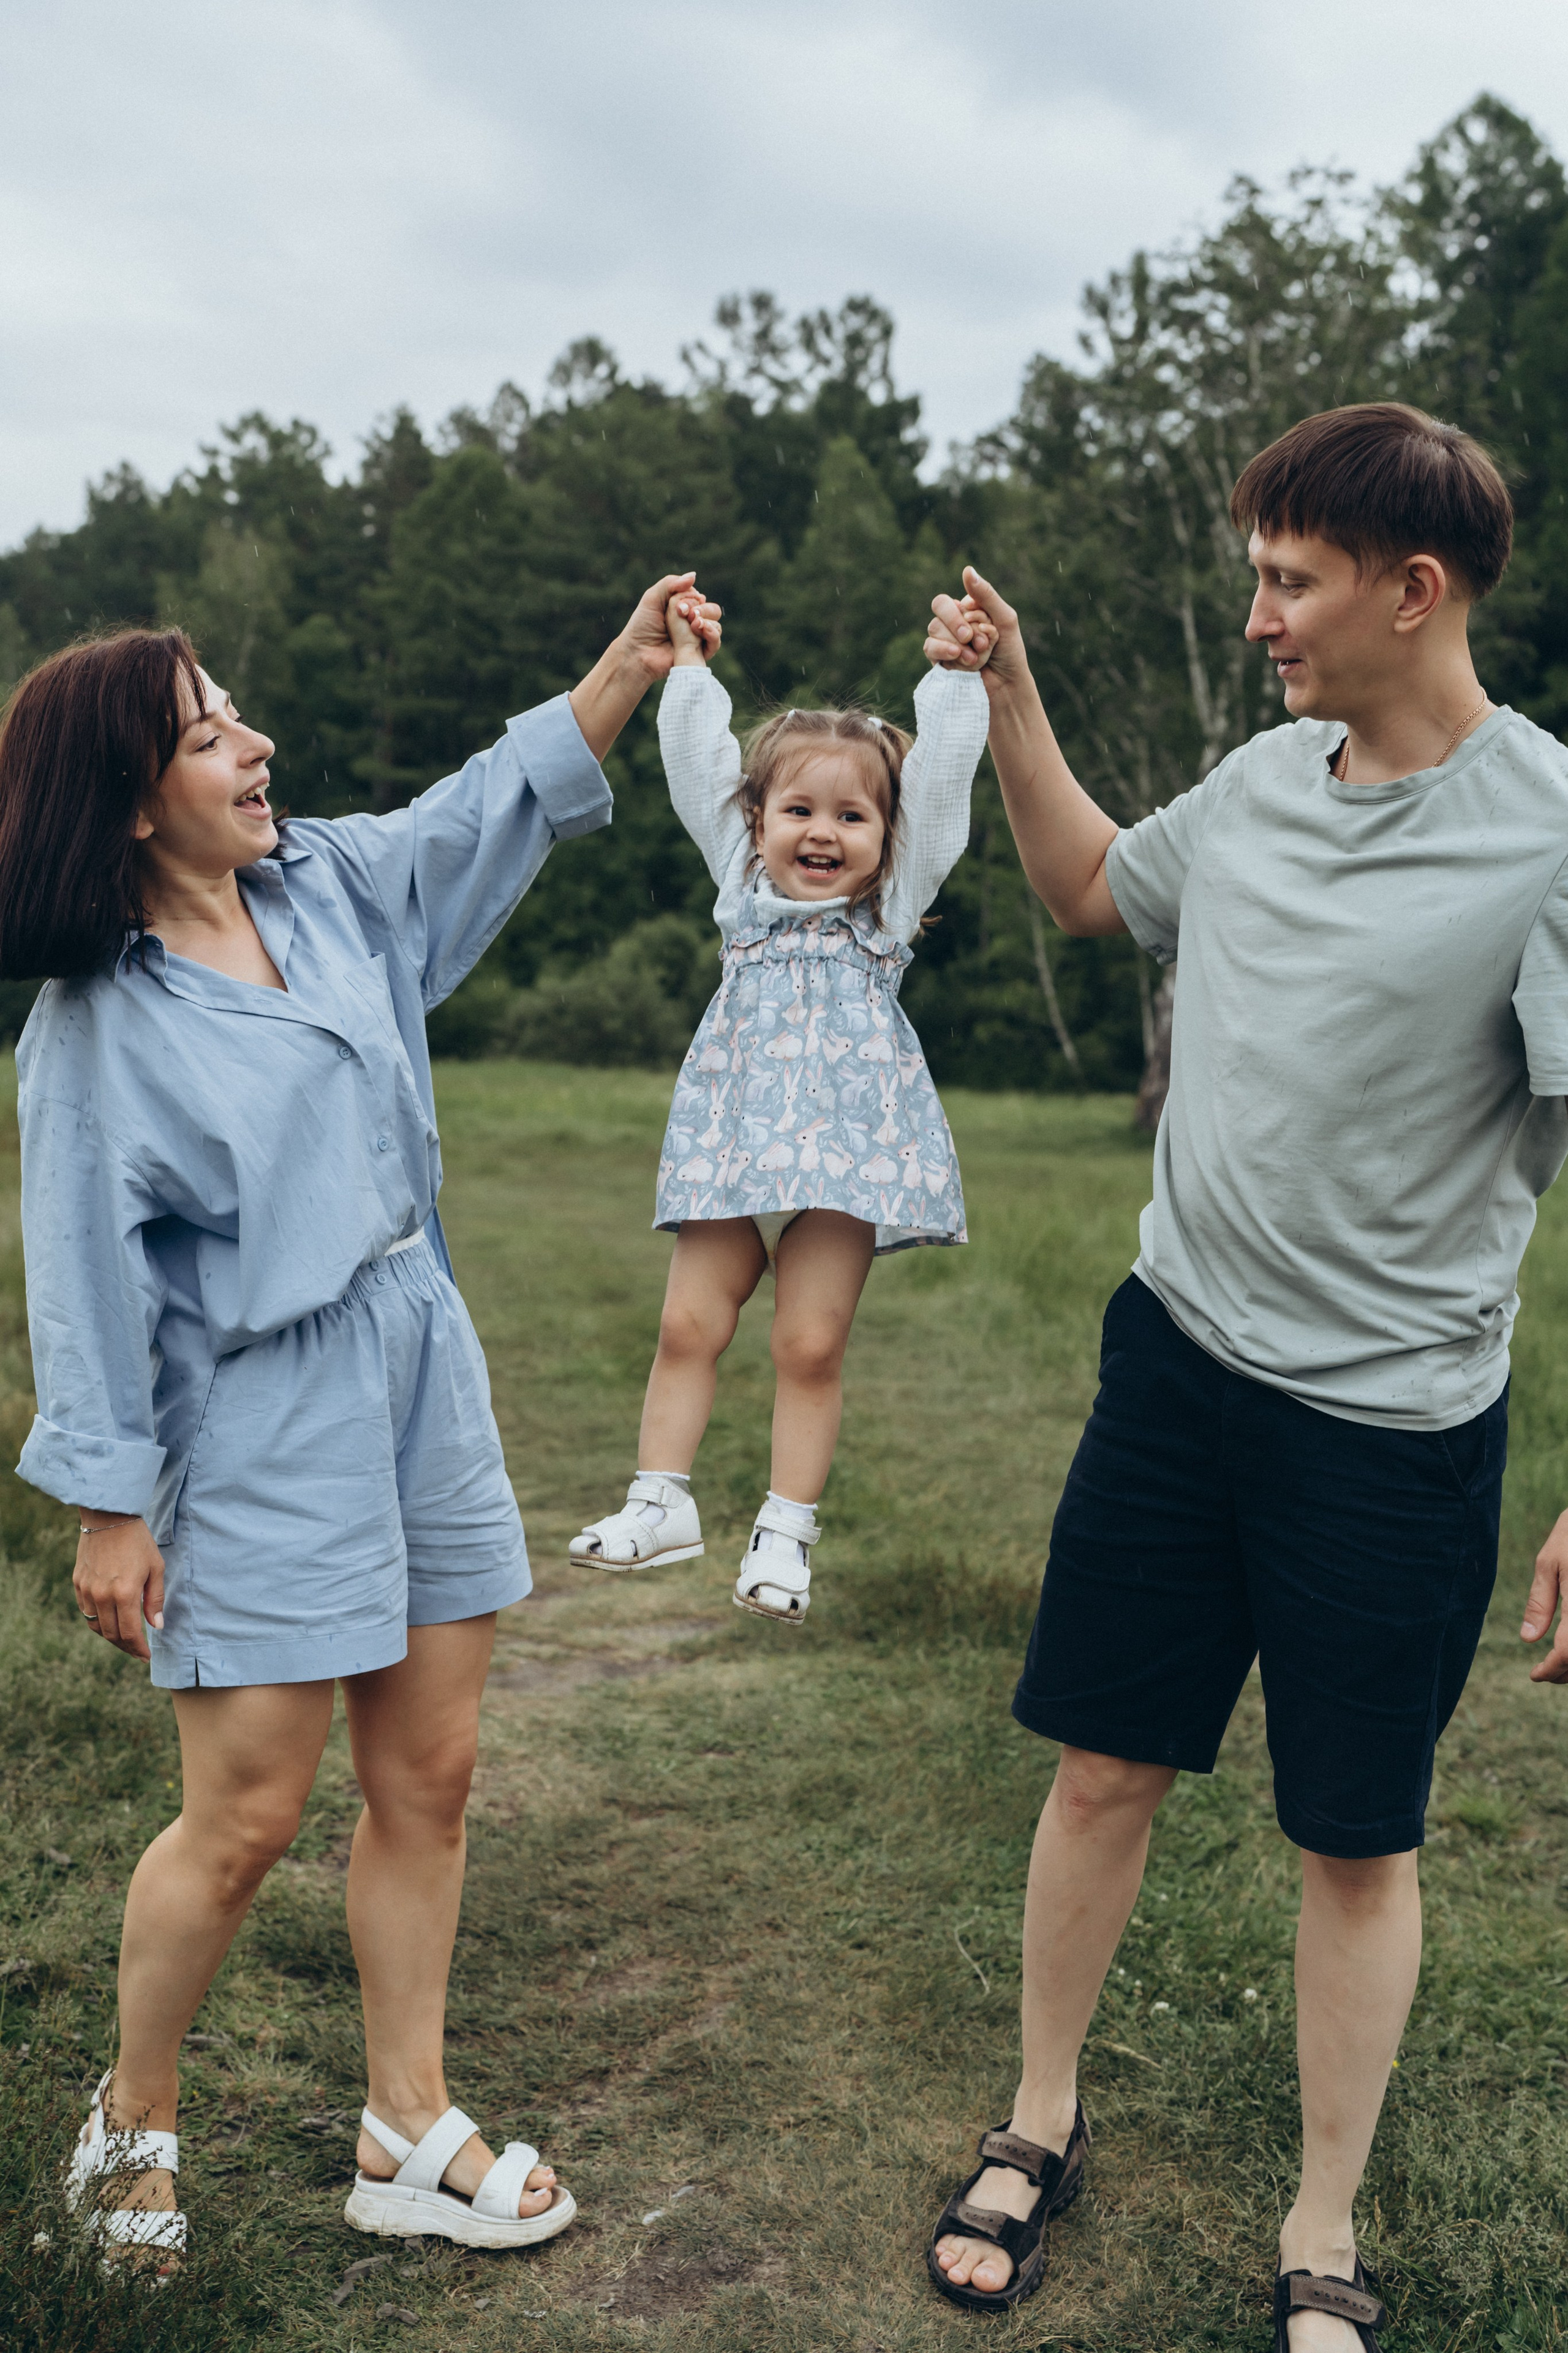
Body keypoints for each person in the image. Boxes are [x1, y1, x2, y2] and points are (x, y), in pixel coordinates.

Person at [921, 403, 1568, 2351]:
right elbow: (1093, 889)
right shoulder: (1268, 778)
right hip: (1177, 1366)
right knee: (1104, 1762)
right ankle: (1041, 2116)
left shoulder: (1547, 833)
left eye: (1291, 582)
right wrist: (1017, 691)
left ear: (1411, 588)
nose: (1267, 617)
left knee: (1353, 1837)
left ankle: (1322, 2225)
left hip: (1391, 1433)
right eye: (1259, 579)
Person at [1, 573, 715, 2267]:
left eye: (237, 712)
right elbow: (86, 1276)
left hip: (420, 1350)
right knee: (246, 1811)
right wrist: (113, 1500)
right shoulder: (94, 1028)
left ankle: (405, 2124)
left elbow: (486, 804)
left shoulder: (329, 884)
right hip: (257, 1406)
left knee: (436, 1773)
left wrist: (622, 658)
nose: (257, 748)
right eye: (208, 734)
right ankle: (135, 2116)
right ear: (127, 797)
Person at [568, 591, 993, 1621]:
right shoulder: (739, 891)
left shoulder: (884, 914)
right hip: (734, 1142)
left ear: (888, 839)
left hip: (851, 1155)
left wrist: (954, 675)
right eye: (799, 811)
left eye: (853, 817)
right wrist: (690, 669)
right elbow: (695, 761)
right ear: (754, 822)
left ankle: (785, 1533)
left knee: (809, 1341)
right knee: (687, 1322)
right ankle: (658, 1500)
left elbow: (941, 785)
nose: (823, 833)